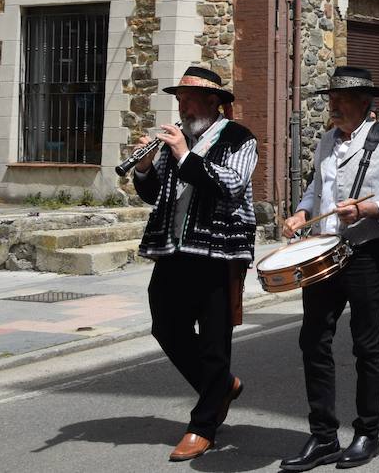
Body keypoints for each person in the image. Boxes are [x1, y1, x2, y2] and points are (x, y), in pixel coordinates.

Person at [279, 66, 379, 471]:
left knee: (366, 346)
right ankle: (323, 436)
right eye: (332, 99)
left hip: (366, 254)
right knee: (313, 341)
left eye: (341, 100)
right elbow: (316, 188)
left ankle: (367, 435)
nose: (334, 106)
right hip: (325, 255)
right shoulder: (327, 140)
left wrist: (369, 207)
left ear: (364, 103)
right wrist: (302, 211)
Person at [132, 66, 258, 463]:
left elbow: (231, 184)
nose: (181, 106)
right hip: (174, 248)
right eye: (179, 99)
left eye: (187, 99)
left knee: (214, 340)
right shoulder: (178, 140)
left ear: (212, 102)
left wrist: (184, 155)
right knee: (164, 324)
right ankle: (219, 387)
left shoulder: (240, 138)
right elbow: (156, 195)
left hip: (219, 251)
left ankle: (203, 426)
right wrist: (144, 166)